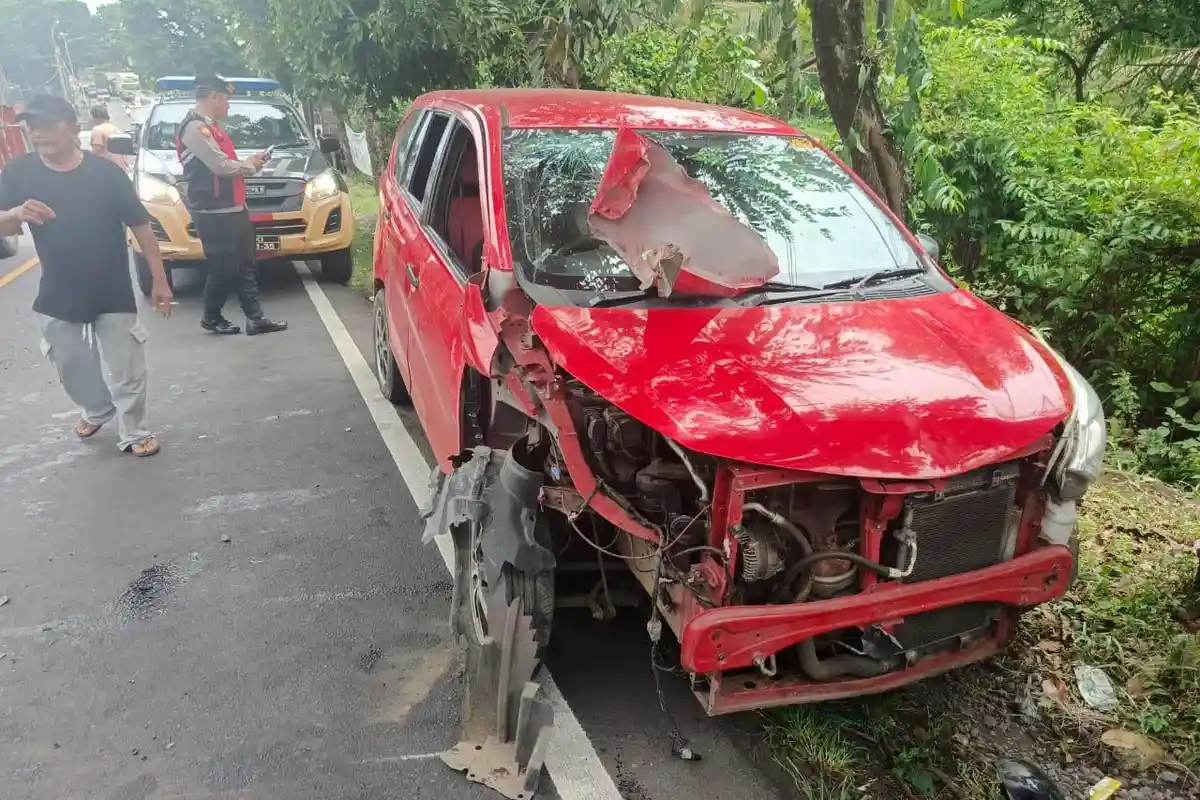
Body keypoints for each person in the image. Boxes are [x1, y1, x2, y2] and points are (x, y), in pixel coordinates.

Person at [0, 95, 173, 457]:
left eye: (49, 125)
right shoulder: (19, 173)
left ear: (73, 128)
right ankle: (96, 409)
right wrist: (15, 213)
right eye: (33, 126)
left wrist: (159, 280)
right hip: (58, 291)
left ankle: (135, 430)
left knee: (127, 368)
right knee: (69, 363)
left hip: (112, 289)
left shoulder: (106, 174)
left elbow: (141, 227)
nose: (38, 133)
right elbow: (4, 224)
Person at [176, 75, 287, 336]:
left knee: (247, 265)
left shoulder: (211, 127)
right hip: (213, 211)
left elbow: (225, 161)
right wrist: (249, 166)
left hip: (234, 207)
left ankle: (255, 318)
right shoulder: (194, 128)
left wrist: (251, 161)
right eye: (226, 99)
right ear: (214, 97)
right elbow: (220, 166)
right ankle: (211, 316)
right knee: (222, 268)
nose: (228, 105)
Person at [89, 105, 129, 171]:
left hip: (107, 169)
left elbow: (97, 150)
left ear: (95, 117)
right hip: (121, 168)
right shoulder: (115, 128)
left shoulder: (97, 130)